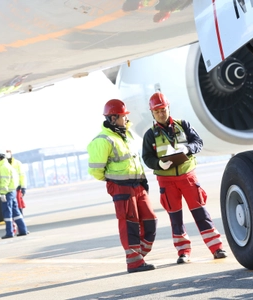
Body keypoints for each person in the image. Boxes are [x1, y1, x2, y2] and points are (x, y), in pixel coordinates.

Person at [142, 92, 227, 264]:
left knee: (201, 214)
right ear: (152, 113)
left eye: (163, 109)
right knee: (176, 219)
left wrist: (188, 149)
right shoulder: (150, 135)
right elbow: (147, 157)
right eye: (157, 111)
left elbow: (198, 142)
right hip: (166, 181)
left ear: (168, 108)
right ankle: (183, 252)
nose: (161, 113)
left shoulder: (183, 125)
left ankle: (216, 248)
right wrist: (159, 164)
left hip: (188, 177)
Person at [87, 99, 157, 273]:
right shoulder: (103, 140)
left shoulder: (127, 134)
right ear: (112, 118)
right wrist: (114, 181)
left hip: (138, 185)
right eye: (123, 116)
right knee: (129, 223)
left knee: (150, 220)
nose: (126, 119)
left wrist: (142, 180)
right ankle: (134, 262)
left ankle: (139, 254)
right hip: (121, 187)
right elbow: (96, 171)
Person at [0, 149, 29, 239]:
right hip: (12, 191)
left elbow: (4, 181)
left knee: (7, 213)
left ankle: (9, 232)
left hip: (7, 192)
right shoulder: (6, 165)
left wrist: (2, 193)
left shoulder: (3, 167)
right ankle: (23, 230)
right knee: (16, 212)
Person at [6, 150, 27, 215]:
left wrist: (23, 188)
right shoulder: (3, 165)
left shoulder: (17, 163)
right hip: (8, 189)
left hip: (17, 188)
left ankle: (20, 220)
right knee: (10, 207)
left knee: (19, 205)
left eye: (8, 152)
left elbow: (22, 176)